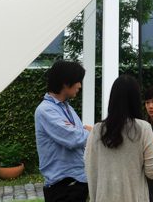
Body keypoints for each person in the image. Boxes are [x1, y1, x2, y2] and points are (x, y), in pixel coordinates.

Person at [85, 75, 153, 201]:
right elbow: (152, 172)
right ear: (136, 99)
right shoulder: (143, 128)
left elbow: (91, 170)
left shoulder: (96, 130)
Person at [35, 60, 92, 202]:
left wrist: (82, 132)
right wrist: (93, 132)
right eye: (78, 81)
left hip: (76, 184)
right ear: (66, 83)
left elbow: (78, 134)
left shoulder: (66, 108)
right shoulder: (46, 110)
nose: (80, 85)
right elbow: (74, 138)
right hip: (63, 189)